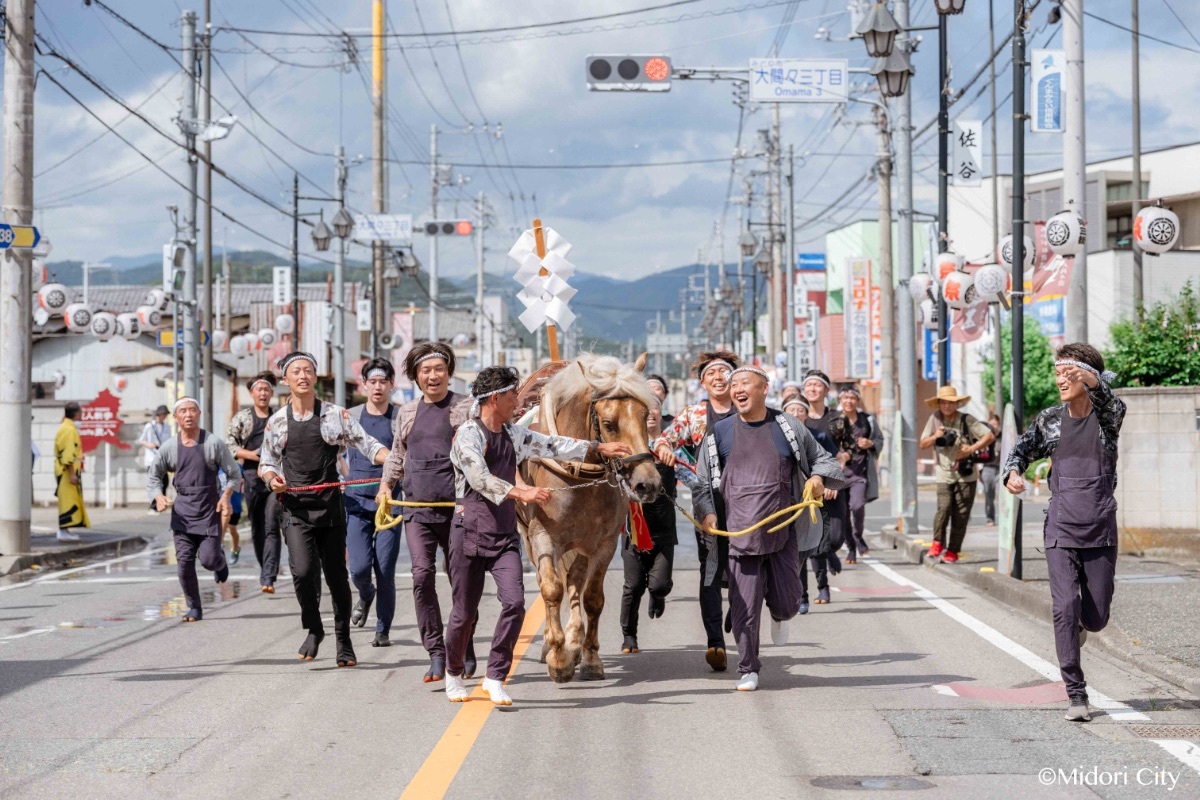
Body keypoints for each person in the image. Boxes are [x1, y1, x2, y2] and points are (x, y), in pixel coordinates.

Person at [444, 366, 632, 705]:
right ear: (495, 398)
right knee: (463, 612)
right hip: (468, 532)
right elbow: (478, 477)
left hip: (503, 537)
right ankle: (453, 672)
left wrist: (597, 449)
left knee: (514, 604)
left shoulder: (514, 434)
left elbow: (551, 444)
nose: (519, 400)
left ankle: (495, 676)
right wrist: (523, 493)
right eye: (514, 394)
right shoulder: (467, 436)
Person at [694, 366, 846, 692]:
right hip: (738, 535)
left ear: (764, 388)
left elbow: (823, 460)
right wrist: (707, 512)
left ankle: (780, 613)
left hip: (782, 532)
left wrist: (817, 478)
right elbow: (702, 482)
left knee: (789, 601)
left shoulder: (787, 427)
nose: (737, 389)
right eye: (734, 385)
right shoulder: (718, 433)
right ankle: (748, 667)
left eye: (744, 383)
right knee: (743, 606)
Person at [1003, 344, 1125, 723]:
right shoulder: (1050, 420)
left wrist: (1086, 376)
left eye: (1066, 374)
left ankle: (1083, 628)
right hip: (1060, 524)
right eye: (1057, 374)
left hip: (1100, 524)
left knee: (1097, 615)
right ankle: (1076, 692)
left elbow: (1107, 399)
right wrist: (1013, 473)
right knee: (1064, 608)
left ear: (1087, 377)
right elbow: (1020, 451)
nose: (1060, 380)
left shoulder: (1109, 417)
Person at [259, 351, 391, 667]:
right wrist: (271, 478)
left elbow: (368, 445)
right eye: (296, 371)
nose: (302, 376)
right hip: (294, 509)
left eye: (308, 370)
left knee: (335, 578)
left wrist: (394, 459)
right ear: (285, 379)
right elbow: (267, 461)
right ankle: (315, 629)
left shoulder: (336, 415)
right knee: (303, 574)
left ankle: (344, 640)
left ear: (315, 377)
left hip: (330, 509)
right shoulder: (277, 422)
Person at [378, 342, 477, 682]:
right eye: (426, 371)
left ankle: (463, 645)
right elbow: (396, 454)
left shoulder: (466, 408)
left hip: (458, 509)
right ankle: (436, 652)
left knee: (461, 580)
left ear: (449, 372)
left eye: (439, 369)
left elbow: (481, 450)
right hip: (417, 508)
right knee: (422, 576)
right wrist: (385, 486)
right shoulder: (406, 412)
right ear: (416, 377)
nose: (433, 376)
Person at [653, 350, 740, 672]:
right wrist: (665, 451)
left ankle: (740, 616)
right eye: (712, 373)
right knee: (711, 571)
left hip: (748, 503)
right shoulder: (694, 415)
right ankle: (715, 641)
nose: (719, 377)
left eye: (724, 372)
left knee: (746, 570)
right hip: (708, 502)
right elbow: (664, 441)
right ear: (702, 382)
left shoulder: (746, 410)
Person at [148, 398, 242, 622]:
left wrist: (226, 496)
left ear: (199, 413)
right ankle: (194, 607)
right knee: (184, 562)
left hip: (209, 509)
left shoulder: (213, 443)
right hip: (182, 513)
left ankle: (220, 562)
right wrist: (158, 496)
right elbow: (153, 476)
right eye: (183, 411)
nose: (188, 414)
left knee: (209, 560)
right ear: (176, 417)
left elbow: (234, 474)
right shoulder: (169, 447)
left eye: (192, 410)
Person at [344, 358, 401, 648]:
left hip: (390, 502)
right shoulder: (350, 416)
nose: (378, 387)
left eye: (383, 381)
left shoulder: (400, 417)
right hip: (355, 500)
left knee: (386, 568)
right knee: (359, 567)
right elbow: (333, 451)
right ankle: (365, 594)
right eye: (373, 382)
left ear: (392, 385)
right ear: (363, 385)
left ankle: (383, 629)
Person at [620, 398, 677, 655]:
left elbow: (696, 478)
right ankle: (629, 636)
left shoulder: (673, 447)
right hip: (632, 531)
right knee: (633, 586)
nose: (650, 414)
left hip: (663, 530)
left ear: (659, 412)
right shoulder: (623, 451)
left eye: (654, 408)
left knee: (658, 585)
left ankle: (659, 594)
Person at [919, 386, 996, 563]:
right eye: (943, 402)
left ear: (957, 403)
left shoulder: (966, 419)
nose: (947, 406)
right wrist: (936, 436)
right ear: (938, 404)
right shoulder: (935, 419)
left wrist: (970, 449)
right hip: (944, 474)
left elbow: (989, 436)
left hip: (966, 474)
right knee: (944, 509)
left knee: (961, 514)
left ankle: (953, 550)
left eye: (951, 402)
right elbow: (923, 444)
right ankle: (937, 543)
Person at [227, 372, 282, 593]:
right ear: (251, 393)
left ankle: (268, 576)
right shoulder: (242, 418)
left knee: (271, 525)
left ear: (271, 393)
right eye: (258, 389)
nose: (263, 393)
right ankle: (265, 570)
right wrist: (253, 455)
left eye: (266, 389)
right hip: (251, 478)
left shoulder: (279, 417)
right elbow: (230, 446)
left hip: (275, 480)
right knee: (257, 528)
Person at [783, 398, 839, 615]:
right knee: (797, 552)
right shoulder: (775, 437)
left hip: (814, 502)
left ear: (807, 415)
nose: (796, 414)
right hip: (786, 505)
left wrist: (825, 481)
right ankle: (802, 596)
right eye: (791, 410)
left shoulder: (818, 437)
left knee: (817, 548)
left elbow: (831, 461)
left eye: (800, 410)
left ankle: (823, 588)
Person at [800, 370, 848, 586]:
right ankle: (822, 587)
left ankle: (829, 552)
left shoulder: (838, 418)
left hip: (834, 484)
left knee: (837, 537)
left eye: (817, 385)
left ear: (827, 390)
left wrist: (839, 467)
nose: (812, 389)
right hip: (808, 487)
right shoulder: (799, 419)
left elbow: (850, 448)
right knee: (814, 534)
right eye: (808, 385)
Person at [837, 386, 884, 564]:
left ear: (857, 401)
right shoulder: (834, 419)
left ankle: (857, 536)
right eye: (845, 397)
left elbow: (880, 440)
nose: (849, 401)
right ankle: (851, 548)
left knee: (857, 507)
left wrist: (870, 443)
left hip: (859, 474)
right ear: (840, 400)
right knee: (843, 514)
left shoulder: (867, 420)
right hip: (838, 475)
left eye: (852, 398)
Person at [54, 402, 89, 542]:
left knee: (69, 499)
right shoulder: (68, 429)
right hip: (66, 470)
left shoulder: (68, 427)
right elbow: (67, 454)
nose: (82, 414)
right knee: (68, 501)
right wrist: (72, 473)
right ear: (76, 413)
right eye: (80, 412)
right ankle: (63, 530)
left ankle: (65, 529)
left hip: (66, 469)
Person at [139, 405, 171, 515]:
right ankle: (153, 507)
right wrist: (150, 445)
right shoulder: (149, 426)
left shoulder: (167, 427)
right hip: (151, 458)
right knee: (155, 482)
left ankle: (161, 505)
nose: (165, 416)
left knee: (165, 482)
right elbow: (142, 440)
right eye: (163, 414)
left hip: (163, 457)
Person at [979, 412, 1003, 526]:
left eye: (996, 424)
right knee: (989, 495)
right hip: (987, 468)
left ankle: (1004, 518)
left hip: (1000, 469)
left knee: (1002, 493)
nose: (994, 426)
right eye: (991, 424)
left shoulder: (1003, 436)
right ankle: (990, 519)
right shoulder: (984, 437)